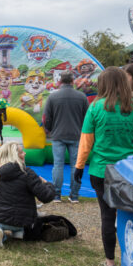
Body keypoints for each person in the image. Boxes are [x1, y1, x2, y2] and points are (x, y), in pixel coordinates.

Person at [74, 67, 133, 266]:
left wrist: (79, 167)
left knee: (108, 216)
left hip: (102, 171)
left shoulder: (96, 108)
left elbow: (86, 142)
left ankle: (109, 263)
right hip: (131, 171)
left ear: (103, 84)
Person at [0, 142, 55, 248]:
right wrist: (48, 184)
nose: (25, 154)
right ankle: (18, 232)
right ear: (15, 156)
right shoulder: (27, 174)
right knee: (23, 223)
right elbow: (47, 196)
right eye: (22, 152)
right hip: (20, 221)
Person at [42, 70, 89, 203]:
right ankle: (74, 195)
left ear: (60, 81)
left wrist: (51, 130)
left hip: (58, 135)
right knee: (76, 165)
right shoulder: (82, 97)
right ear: (73, 81)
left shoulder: (52, 97)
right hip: (76, 135)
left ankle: (56, 195)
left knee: (58, 165)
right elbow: (87, 119)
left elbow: (46, 118)